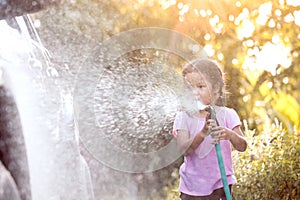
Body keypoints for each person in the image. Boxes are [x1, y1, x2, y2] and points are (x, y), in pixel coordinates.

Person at [173, 58, 247, 200]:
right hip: (192, 189)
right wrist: (202, 133)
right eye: (189, 88)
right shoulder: (184, 117)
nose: (194, 92)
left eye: (200, 86)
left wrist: (230, 134)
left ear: (217, 89)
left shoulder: (228, 115)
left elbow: (242, 146)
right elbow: (184, 149)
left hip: (221, 185)